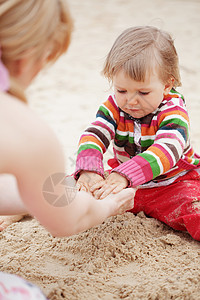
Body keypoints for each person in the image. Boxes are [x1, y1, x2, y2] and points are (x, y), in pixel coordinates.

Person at [0, 0, 135, 235]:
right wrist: (109, 205)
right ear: (27, 57)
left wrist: (37, 196)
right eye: (46, 60)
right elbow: (68, 221)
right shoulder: (26, 132)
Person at [75, 26, 200, 241]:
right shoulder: (115, 106)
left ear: (167, 85)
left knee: (193, 208)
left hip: (171, 185)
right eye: (121, 90)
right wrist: (89, 170)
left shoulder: (173, 112)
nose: (131, 101)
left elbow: (166, 152)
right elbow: (94, 133)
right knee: (70, 187)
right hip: (122, 186)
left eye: (143, 92)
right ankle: (24, 208)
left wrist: (124, 174)